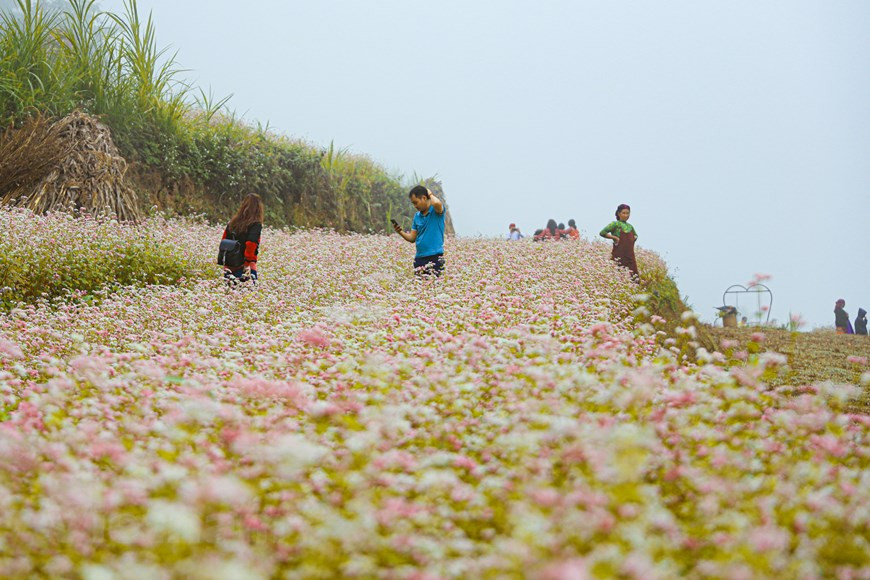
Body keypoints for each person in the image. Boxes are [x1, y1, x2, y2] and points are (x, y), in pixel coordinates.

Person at [393, 185, 446, 277]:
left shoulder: (436, 211)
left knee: (434, 286)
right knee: (420, 287)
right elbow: (412, 238)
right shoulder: (417, 216)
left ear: (424, 198)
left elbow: (437, 203)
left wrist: (430, 193)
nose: (415, 206)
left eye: (416, 202)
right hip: (420, 257)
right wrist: (400, 232)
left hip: (435, 257)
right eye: (413, 203)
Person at [222, 193, 263, 284]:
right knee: (247, 294)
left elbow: (224, 240)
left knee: (230, 293)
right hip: (246, 266)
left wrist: (226, 262)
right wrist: (247, 263)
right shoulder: (255, 224)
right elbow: (251, 243)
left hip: (230, 264)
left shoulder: (233, 222)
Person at [600, 203, 639, 280]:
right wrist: (615, 238)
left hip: (630, 256)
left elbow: (635, 236)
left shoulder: (630, 226)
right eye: (623, 213)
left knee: (633, 277)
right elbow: (602, 233)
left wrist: (633, 239)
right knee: (618, 274)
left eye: (628, 213)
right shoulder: (615, 224)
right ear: (618, 213)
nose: (626, 215)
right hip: (619, 255)